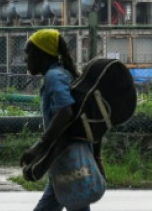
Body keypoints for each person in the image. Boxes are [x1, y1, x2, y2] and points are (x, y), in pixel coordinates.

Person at [19, 28, 103, 211]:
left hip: (68, 157)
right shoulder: (63, 74)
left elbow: (66, 111)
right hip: (68, 156)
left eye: (28, 54)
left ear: (41, 55)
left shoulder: (54, 77)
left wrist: (39, 146)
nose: (25, 59)